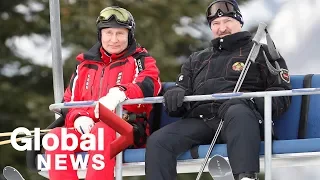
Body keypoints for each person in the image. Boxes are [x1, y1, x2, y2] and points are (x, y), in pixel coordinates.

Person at [145, 0, 291, 180]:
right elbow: (181, 93)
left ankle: (245, 177)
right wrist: (175, 95)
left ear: (240, 22)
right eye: (216, 23)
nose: (222, 28)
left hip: (244, 120)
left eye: (227, 21)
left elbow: (282, 93)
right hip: (203, 121)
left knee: (237, 111)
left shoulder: (261, 52)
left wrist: (251, 102)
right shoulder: (197, 59)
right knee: (158, 142)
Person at [45, 6, 161, 180]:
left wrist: (121, 93)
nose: (114, 40)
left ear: (129, 36)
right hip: (87, 128)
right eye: (108, 33)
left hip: (126, 129)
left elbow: (149, 84)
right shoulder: (84, 65)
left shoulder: (139, 60)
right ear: (100, 35)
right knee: (57, 137)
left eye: (120, 34)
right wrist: (78, 118)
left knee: (101, 132)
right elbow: (69, 101)